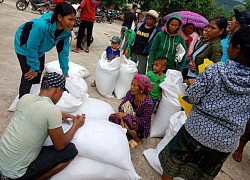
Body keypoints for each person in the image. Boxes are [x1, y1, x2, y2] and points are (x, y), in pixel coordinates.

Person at [158, 26, 250, 180]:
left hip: (197, 130)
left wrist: (194, 84)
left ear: (237, 48)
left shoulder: (215, 70)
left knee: (172, 162)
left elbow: (191, 97)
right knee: (202, 174)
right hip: (226, 141)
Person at [0, 72, 85, 179]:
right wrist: (76, 125)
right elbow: (60, 146)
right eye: (62, 93)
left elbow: (33, 114)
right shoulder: (52, 111)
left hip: (2, 163)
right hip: (15, 175)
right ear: (58, 90)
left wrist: (60, 115)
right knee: (70, 150)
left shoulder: (25, 98)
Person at [14, 2, 76, 99]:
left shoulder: (65, 32)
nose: (72, 23)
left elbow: (63, 53)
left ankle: (34, 97)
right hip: (24, 46)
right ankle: (23, 102)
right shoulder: (42, 26)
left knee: (38, 72)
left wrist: (65, 71)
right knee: (29, 75)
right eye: (70, 19)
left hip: (39, 49)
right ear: (60, 17)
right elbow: (31, 47)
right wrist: (33, 68)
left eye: (74, 20)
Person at [109, 73, 153, 148]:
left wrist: (126, 116)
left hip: (139, 127)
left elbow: (143, 122)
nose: (131, 87)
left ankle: (136, 138)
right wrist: (122, 118)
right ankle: (127, 134)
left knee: (129, 122)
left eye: (135, 85)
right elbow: (121, 107)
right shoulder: (130, 93)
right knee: (112, 117)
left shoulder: (148, 103)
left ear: (142, 89)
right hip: (126, 119)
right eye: (131, 84)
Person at [125, 10, 159, 75]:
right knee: (131, 68)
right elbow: (132, 38)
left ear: (154, 21)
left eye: (151, 19)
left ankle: (140, 84)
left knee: (141, 71)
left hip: (143, 53)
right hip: (134, 50)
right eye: (148, 18)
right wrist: (127, 48)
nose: (149, 20)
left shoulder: (155, 31)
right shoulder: (139, 26)